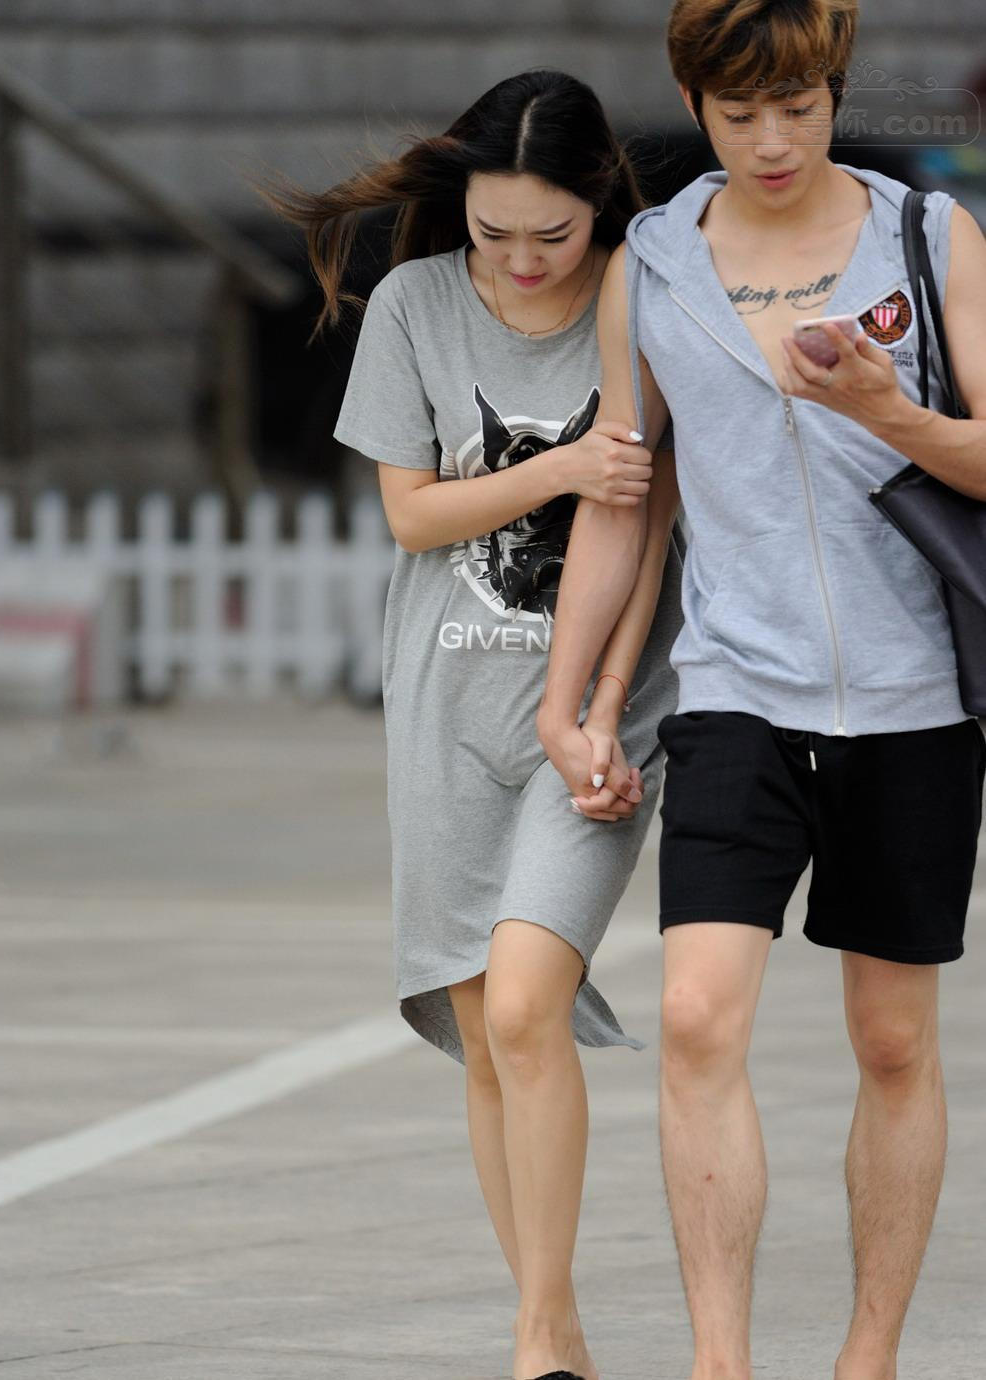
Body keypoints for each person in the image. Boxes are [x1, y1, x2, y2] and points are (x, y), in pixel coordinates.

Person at [537, 4, 986, 1379]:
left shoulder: (930, 237)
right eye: (740, 115)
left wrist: (885, 412)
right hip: (736, 689)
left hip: (915, 699)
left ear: (834, 91)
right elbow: (624, 492)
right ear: (694, 101)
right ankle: (718, 1364)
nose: (774, 140)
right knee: (693, 1018)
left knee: (892, 1043)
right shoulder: (653, 263)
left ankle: (867, 1357)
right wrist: (570, 700)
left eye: (799, 107)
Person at [272, 71, 682, 1380]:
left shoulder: (639, 294)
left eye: (549, 233)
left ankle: (538, 1336)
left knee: (523, 1007)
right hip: (444, 706)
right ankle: (551, 1324)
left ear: (598, 205)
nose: (517, 259)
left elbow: (650, 528)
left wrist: (605, 709)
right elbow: (411, 515)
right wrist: (558, 466)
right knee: (489, 1038)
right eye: (491, 231)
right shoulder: (414, 303)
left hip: (594, 722)